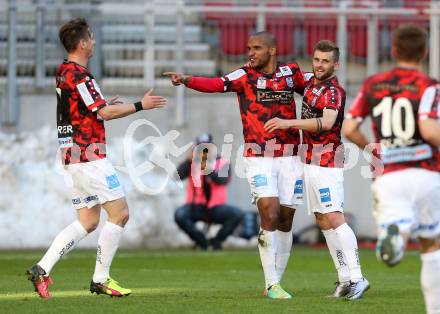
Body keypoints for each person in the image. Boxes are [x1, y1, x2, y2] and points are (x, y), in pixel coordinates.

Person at [25, 18, 167, 299]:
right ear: (82, 43)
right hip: (89, 155)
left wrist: (101, 105)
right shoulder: (81, 75)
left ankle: (42, 268)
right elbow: (103, 113)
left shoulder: (63, 72)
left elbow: (80, 108)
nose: (94, 42)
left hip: (71, 155)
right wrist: (141, 105)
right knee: (120, 213)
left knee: (88, 221)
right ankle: (101, 279)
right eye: (90, 38)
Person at [164, 31, 305, 299]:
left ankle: (276, 280)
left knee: (286, 218)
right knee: (269, 211)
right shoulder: (243, 76)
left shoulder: (291, 74)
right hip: (258, 156)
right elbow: (216, 83)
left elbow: (313, 89)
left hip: (290, 156)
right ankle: (272, 283)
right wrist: (187, 80)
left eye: (257, 48)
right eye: (249, 47)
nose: (250, 52)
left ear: (272, 51)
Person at [343, 24, 440, 313]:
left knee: (398, 223)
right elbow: (428, 129)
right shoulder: (429, 85)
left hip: (389, 175)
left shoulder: (373, 84)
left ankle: (395, 236)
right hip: (426, 172)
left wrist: (373, 150)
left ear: (394, 50)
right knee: (432, 245)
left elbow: (349, 128)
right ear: (424, 52)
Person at [264, 40, 369, 300]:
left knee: (333, 216)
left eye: (325, 61)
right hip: (309, 159)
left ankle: (357, 277)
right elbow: (285, 77)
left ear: (336, 65)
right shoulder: (311, 82)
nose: (319, 65)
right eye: (316, 59)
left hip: (327, 161)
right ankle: (345, 278)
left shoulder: (334, 91)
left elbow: (327, 122)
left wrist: (288, 122)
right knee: (322, 219)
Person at [174, 134, 244, 250]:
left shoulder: (222, 162)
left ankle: (217, 241)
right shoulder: (191, 163)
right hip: (196, 206)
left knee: (237, 214)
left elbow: (223, 180)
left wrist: (208, 170)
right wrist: (188, 161)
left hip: (216, 207)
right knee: (180, 215)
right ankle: (202, 241)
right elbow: (177, 177)